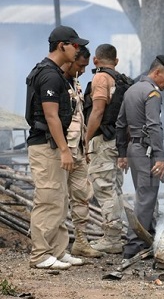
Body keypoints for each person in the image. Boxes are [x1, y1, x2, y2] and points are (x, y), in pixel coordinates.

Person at [24, 25, 88, 269]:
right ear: (62, 46)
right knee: (48, 198)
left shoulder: (56, 73)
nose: (78, 50)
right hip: (46, 144)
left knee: (59, 199)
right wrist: (64, 149)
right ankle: (40, 255)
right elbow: (51, 116)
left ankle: (58, 251)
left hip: (53, 144)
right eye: (75, 45)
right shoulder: (49, 75)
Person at [116, 55, 164, 259]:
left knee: (145, 196)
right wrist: (160, 157)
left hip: (135, 150)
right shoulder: (153, 93)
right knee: (146, 198)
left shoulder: (132, 89)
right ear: (157, 72)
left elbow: (120, 124)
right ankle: (133, 246)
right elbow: (154, 126)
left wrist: (122, 152)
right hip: (146, 152)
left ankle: (148, 238)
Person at [85, 44, 129, 254]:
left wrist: (86, 138)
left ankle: (112, 238)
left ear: (95, 60)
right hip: (117, 142)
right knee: (115, 188)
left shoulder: (101, 78)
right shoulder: (120, 79)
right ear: (116, 61)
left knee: (103, 188)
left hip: (103, 140)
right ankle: (118, 233)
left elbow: (98, 110)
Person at [61, 46, 104, 258]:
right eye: (80, 65)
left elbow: (80, 118)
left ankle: (80, 241)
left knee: (81, 196)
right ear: (69, 59)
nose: (84, 70)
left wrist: (84, 147)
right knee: (56, 198)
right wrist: (63, 149)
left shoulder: (75, 83)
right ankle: (50, 246)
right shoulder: (54, 81)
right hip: (62, 150)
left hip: (77, 148)